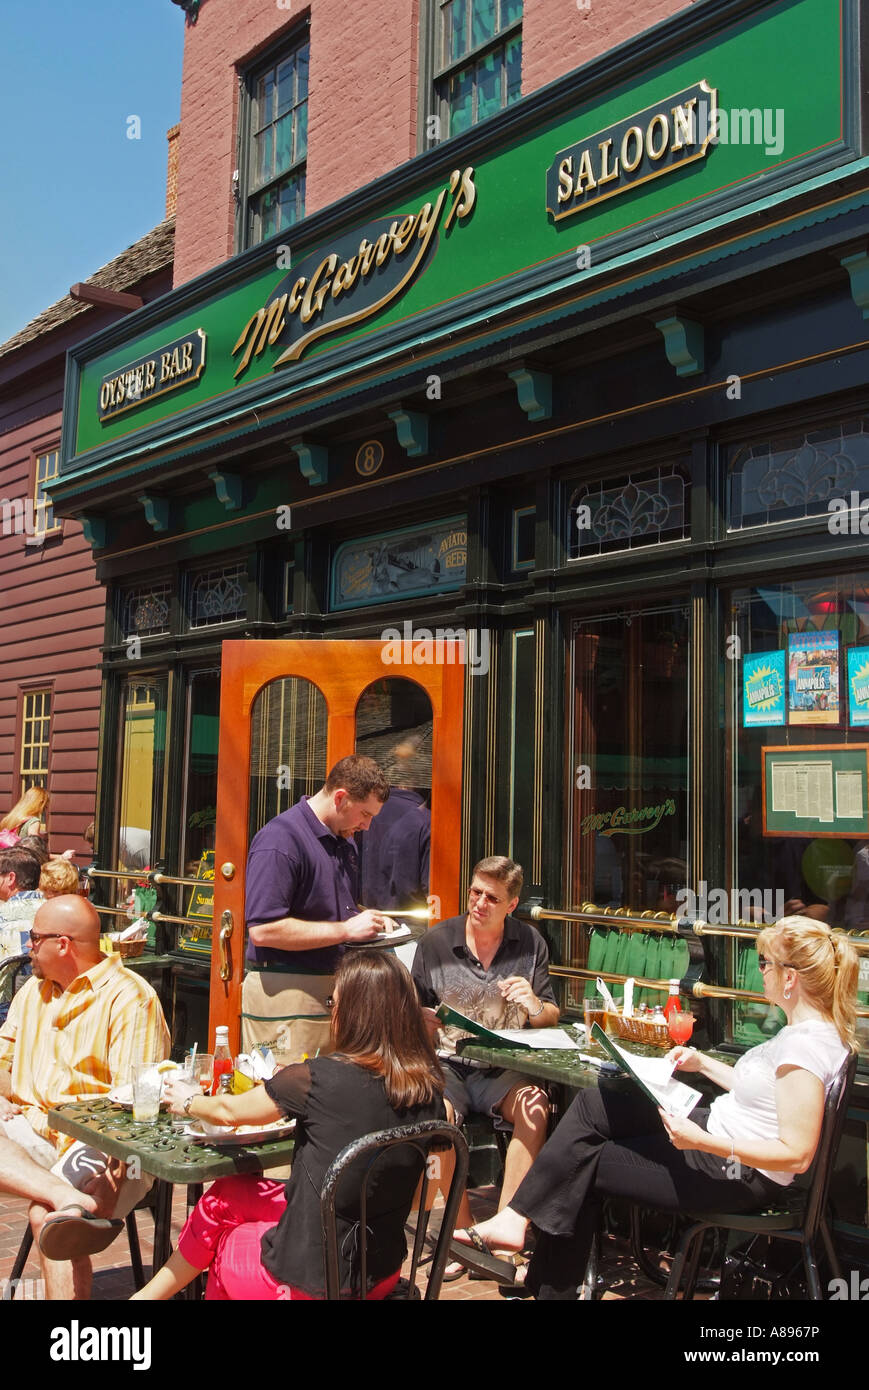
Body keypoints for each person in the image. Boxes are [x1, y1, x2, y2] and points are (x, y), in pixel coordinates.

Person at [452, 915, 858, 1299]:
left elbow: (798, 1154)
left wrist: (703, 1141)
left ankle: (537, 1270)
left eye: (765, 963)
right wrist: (704, 1063)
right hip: (716, 1131)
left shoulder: (801, 1049)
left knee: (585, 1162)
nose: (760, 970)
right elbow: (766, 1095)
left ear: (790, 978)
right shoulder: (806, 1033)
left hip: (732, 1170)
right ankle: (517, 1223)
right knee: (597, 1103)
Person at [131, 951, 446, 1300]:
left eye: (333, 1003)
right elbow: (421, 1199)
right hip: (381, 1274)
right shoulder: (431, 1093)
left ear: (352, 1014)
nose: (332, 1012)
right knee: (227, 1195)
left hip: (311, 1282)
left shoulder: (316, 1080)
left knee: (227, 1243)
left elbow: (228, 1112)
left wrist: (188, 1101)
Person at [0, 895, 169, 1299]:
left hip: (101, 1139)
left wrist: (112, 1179)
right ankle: (62, 1192)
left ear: (62, 944)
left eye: (34, 938)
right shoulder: (33, 993)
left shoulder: (130, 998)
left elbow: (135, 1107)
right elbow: (2, 1060)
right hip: (33, 1128)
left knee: (51, 1219)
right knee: (60, 1205)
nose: (28, 945)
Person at [412, 856, 558, 1270]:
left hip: (505, 1068)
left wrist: (533, 1004)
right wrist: (422, 1020)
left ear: (511, 905)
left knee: (535, 1107)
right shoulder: (436, 943)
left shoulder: (531, 944)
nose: (479, 903)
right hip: (448, 1063)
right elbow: (412, 1010)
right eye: (475, 892)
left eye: (491, 898)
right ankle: (463, 1234)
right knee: (435, 1115)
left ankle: (505, 1232)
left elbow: (550, 1015)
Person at [241, 754, 393, 1067]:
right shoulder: (280, 840)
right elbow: (263, 929)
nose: (366, 826)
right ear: (341, 798)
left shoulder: (343, 839)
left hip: (334, 993)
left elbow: (328, 907)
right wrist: (347, 930)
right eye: (365, 814)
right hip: (285, 994)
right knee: (282, 1099)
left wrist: (369, 919)